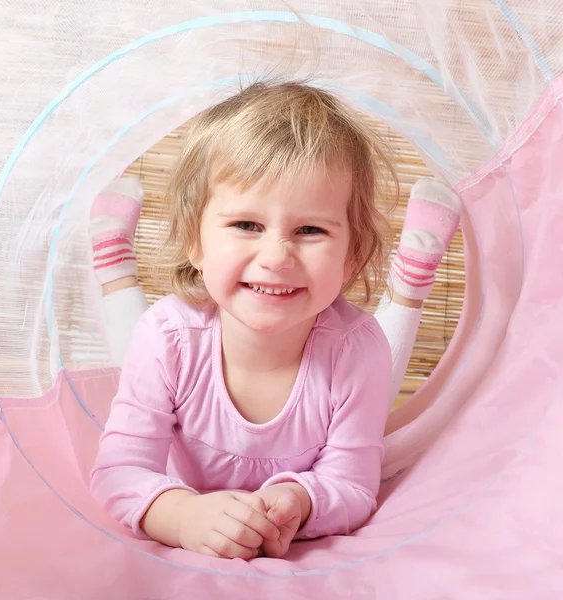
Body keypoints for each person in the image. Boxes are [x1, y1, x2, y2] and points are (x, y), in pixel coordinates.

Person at [89, 81, 461, 561]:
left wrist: (301, 500)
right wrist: (183, 516)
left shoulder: (358, 349)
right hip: (176, 341)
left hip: (343, 355)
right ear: (195, 243)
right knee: (141, 342)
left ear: (351, 257)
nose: (277, 257)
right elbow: (119, 471)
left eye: (310, 230)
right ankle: (114, 264)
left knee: (373, 368)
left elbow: (351, 485)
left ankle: (409, 281)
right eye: (246, 225)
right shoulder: (168, 336)